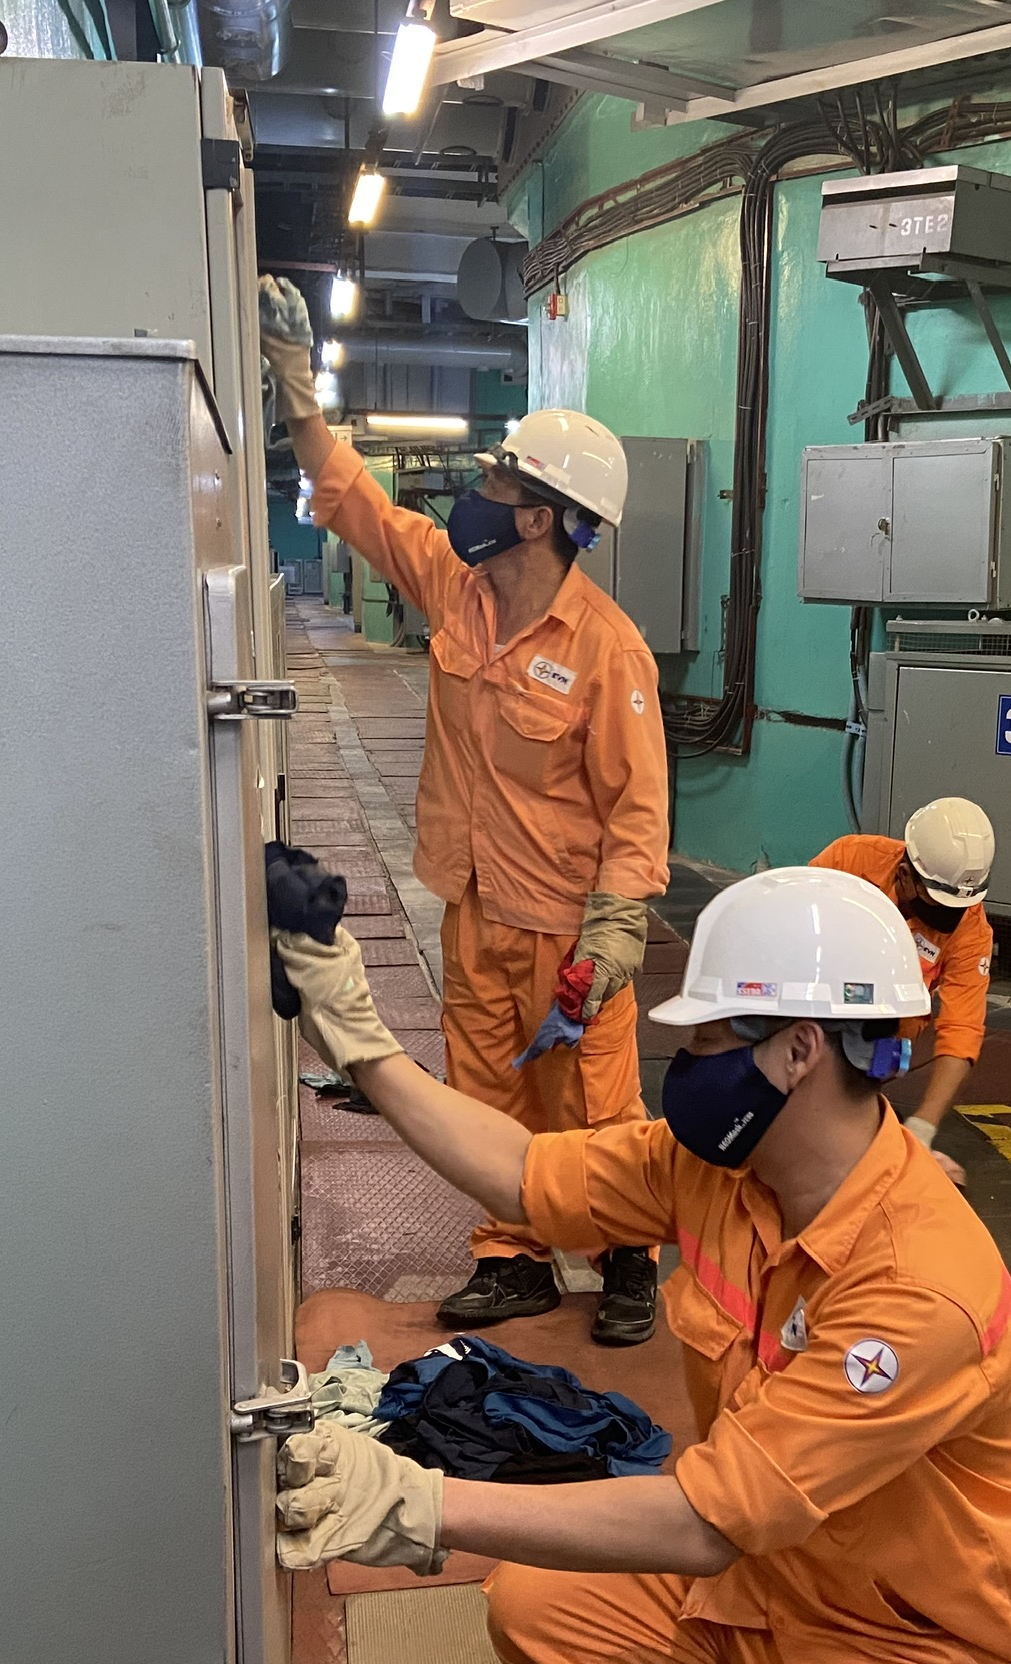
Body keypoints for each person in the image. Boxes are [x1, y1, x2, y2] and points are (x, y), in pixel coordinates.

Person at [269, 865, 1011, 1664]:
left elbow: (707, 1522)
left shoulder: (919, 1286)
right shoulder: (727, 1171)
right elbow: (526, 1176)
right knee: (539, 1612)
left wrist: (414, 1503)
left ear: (797, 1050)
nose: (684, 1063)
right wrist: (359, 1039)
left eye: (705, 1039)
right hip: (783, 1592)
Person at [261, 276, 671, 1344]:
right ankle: (512, 1255)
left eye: (497, 479)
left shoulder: (607, 651)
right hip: (476, 903)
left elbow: (638, 810)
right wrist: (298, 387)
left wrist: (612, 935)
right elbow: (356, 502)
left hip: (569, 929)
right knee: (486, 1086)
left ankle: (629, 1254)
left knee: (595, 1102)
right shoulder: (459, 591)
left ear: (537, 516)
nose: (476, 492)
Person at [810, 798, 997, 1181]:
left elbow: (962, 1031)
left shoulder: (971, 931)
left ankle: (857, 1106)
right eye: (938, 904)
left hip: (879, 1035)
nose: (949, 919)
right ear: (906, 874)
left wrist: (923, 1128)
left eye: (957, 907)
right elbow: (791, 928)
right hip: (811, 1003)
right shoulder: (849, 861)